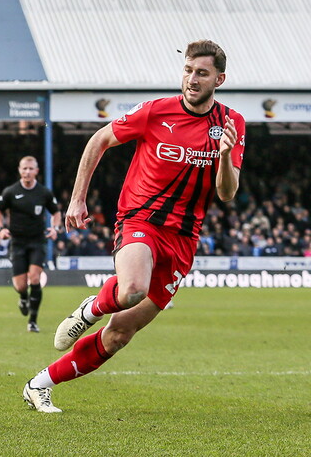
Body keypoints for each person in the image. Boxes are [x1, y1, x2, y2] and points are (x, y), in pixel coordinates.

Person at [23, 40, 245, 413]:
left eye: (202, 73)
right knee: (131, 290)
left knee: (120, 334)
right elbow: (100, 140)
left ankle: (38, 385)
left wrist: (223, 158)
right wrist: (77, 198)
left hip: (184, 238)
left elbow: (226, 194)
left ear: (219, 79)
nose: (192, 79)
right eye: (188, 70)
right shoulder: (156, 111)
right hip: (140, 219)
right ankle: (91, 308)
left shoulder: (231, 123)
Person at [0, 156, 61, 333]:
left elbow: (56, 212)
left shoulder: (44, 193)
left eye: (31, 169)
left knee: (35, 278)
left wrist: (55, 228)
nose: (27, 172)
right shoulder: (11, 191)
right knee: (20, 285)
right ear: (19, 170)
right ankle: (23, 297)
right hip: (18, 242)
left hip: (38, 240)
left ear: (36, 171)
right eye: (24, 169)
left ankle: (33, 320)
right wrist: (0, 229)